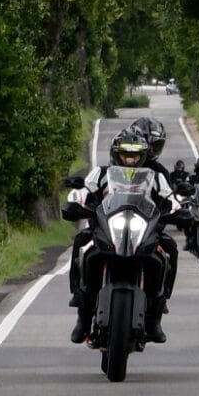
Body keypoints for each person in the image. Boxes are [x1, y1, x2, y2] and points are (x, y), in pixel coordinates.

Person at [68, 127, 179, 345]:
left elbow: (170, 197)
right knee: (82, 242)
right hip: (105, 228)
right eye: (125, 155)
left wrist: (178, 209)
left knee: (170, 248)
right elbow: (84, 191)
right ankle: (83, 313)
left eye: (135, 155)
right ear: (116, 154)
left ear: (143, 156)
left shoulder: (155, 177)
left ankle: (155, 315)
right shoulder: (101, 173)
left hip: (145, 230)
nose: (130, 160)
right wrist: (76, 202)